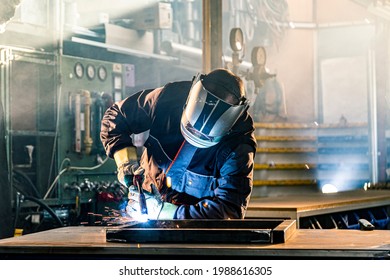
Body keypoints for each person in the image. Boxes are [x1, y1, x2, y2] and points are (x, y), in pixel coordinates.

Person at [100, 68, 257, 220]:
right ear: (189, 100)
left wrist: (166, 212)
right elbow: (116, 116)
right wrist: (126, 163)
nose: (196, 136)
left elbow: (230, 210)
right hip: (146, 203)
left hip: (192, 232)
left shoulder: (238, 147)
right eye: (191, 128)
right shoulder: (166, 99)